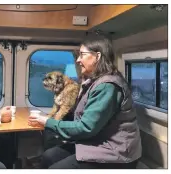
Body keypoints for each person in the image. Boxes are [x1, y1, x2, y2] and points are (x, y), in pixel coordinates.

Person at [29, 36, 142, 169]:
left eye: (82, 55)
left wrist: (48, 122)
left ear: (97, 56)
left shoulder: (108, 86)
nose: (78, 60)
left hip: (115, 152)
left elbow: (86, 128)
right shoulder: (94, 82)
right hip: (96, 142)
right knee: (48, 156)